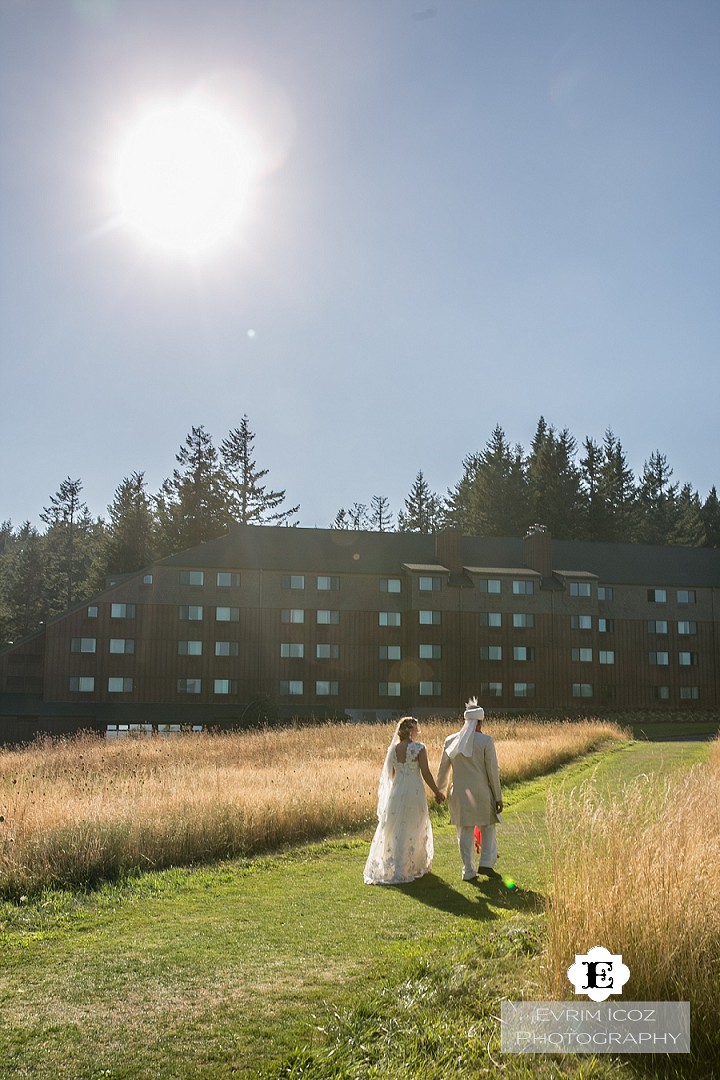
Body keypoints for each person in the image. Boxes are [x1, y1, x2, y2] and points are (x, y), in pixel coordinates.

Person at [364, 716, 445, 885]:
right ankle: (408, 867)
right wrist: (437, 792)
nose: (418, 732)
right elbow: (426, 772)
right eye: (416, 729)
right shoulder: (419, 748)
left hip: (397, 791)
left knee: (395, 828)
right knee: (413, 825)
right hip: (414, 790)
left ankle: (397, 866)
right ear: (409, 731)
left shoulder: (392, 750)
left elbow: (391, 775)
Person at [437, 697, 503, 882]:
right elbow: (492, 771)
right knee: (488, 827)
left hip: (459, 793)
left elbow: (443, 770)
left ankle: (468, 871)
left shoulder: (451, 741)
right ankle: (486, 863)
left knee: (464, 831)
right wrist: (498, 797)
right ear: (480, 721)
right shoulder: (485, 741)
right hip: (482, 793)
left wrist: (440, 791)